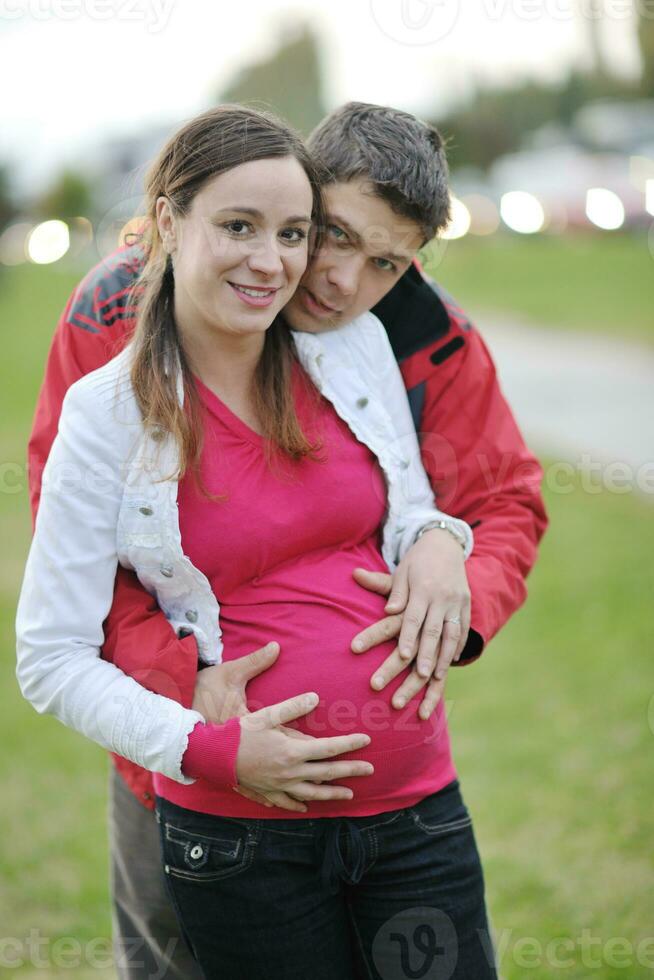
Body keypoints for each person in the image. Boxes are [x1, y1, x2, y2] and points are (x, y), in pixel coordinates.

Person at [24, 103, 547, 978]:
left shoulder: (411, 333)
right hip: (183, 764)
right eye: (329, 234)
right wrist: (181, 681)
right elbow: (74, 549)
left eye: (383, 259)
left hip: (403, 810)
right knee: (172, 958)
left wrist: (450, 565)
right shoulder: (117, 312)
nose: (336, 278)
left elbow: (500, 498)